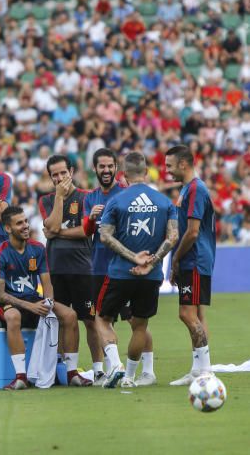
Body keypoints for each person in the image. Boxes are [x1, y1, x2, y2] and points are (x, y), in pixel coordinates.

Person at [97, 152, 178, 388]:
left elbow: (104, 236)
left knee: (103, 319)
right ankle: (130, 378)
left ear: (123, 175)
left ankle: (117, 367)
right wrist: (151, 263)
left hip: (121, 273)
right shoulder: (164, 202)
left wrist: (134, 258)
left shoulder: (117, 201)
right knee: (140, 326)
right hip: (151, 276)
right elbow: (172, 237)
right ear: (146, 171)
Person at [0, 206, 92, 389]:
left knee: (69, 315)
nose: (25, 226)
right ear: (7, 228)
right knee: (13, 317)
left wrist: (48, 303)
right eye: (19, 223)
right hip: (10, 303)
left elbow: (47, 283)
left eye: (26, 221)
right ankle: (21, 377)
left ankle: (72, 374)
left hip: (34, 301)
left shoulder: (37, 248)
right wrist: (30, 307)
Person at [83, 148, 154, 386]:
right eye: (101, 166)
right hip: (98, 267)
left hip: (123, 268)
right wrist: (90, 219)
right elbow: (86, 233)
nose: (106, 170)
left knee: (136, 320)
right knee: (100, 319)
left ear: (117, 168)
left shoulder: (126, 195)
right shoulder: (90, 198)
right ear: (94, 169)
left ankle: (147, 371)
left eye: (109, 166)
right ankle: (111, 368)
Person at [39, 155, 103, 380]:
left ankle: (99, 370)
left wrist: (56, 233)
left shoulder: (86, 197)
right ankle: (62, 371)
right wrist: (58, 198)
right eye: (54, 174)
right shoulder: (46, 200)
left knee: (90, 320)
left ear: (71, 171)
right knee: (60, 321)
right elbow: (53, 223)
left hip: (83, 268)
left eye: (62, 173)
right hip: (55, 269)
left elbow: (86, 231)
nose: (59, 178)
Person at [165, 145, 216, 386]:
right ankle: (198, 369)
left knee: (186, 314)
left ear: (183, 164)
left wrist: (175, 259)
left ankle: (205, 370)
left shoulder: (195, 189)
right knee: (195, 314)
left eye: (169, 166)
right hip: (193, 259)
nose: (167, 171)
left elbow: (193, 232)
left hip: (193, 259)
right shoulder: (188, 189)